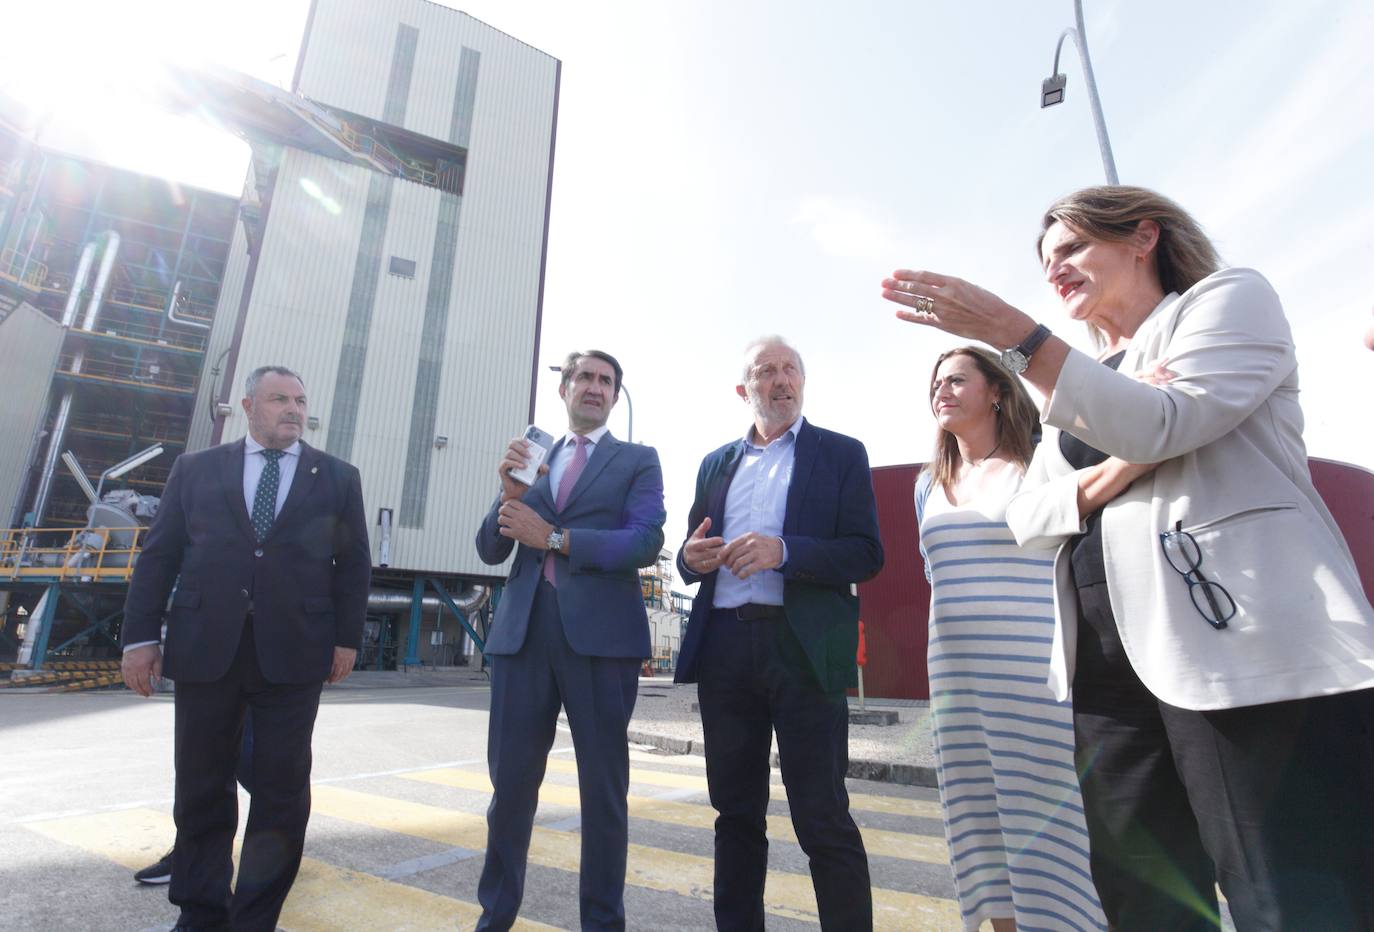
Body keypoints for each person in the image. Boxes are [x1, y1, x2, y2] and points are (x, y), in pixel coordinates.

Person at [882, 185, 1374, 929]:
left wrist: (1023, 340)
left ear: (1143, 237)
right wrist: (1121, 467)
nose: (1056, 268)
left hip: (1235, 656)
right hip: (1109, 677)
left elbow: (1162, 420)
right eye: (1046, 260)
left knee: (1284, 893)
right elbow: (1032, 514)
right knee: (1144, 900)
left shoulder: (1226, 301)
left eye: (1072, 247)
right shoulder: (1085, 378)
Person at [121, 365, 371, 932]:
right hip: (208, 647)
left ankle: (255, 919)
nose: (293, 409)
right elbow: (160, 557)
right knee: (202, 785)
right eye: (280, 398)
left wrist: (346, 640)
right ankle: (201, 910)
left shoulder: (336, 477)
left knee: (281, 794)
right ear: (249, 405)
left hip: (296, 653)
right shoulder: (196, 469)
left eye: (301, 400)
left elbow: (353, 566)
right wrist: (140, 640)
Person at [675, 336, 884, 932]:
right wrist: (691, 558)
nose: (781, 379)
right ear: (744, 390)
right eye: (766, 371)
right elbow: (693, 555)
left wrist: (783, 551)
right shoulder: (716, 462)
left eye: (790, 369)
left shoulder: (841, 454)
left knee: (822, 815)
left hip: (803, 652)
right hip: (725, 651)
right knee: (735, 815)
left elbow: (866, 554)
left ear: (803, 382)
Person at [474, 349, 666, 932]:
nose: (595, 387)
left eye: (607, 381)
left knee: (603, 796)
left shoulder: (637, 460)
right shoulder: (535, 458)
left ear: (614, 396)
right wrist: (509, 493)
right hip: (523, 639)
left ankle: (602, 924)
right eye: (585, 376)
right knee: (509, 792)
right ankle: (495, 917)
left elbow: (643, 542)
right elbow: (490, 548)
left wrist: (556, 537)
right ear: (564, 388)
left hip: (602, 644)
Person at [914, 346, 1105, 932]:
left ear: (997, 391)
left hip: (1035, 677)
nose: (942, 390)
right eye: (936, 383)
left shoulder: (1040, 463)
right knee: (977, 826)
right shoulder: (927, 484)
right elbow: (935, 576)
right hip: (956, 681)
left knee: (1053, 824)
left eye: (956, 380)